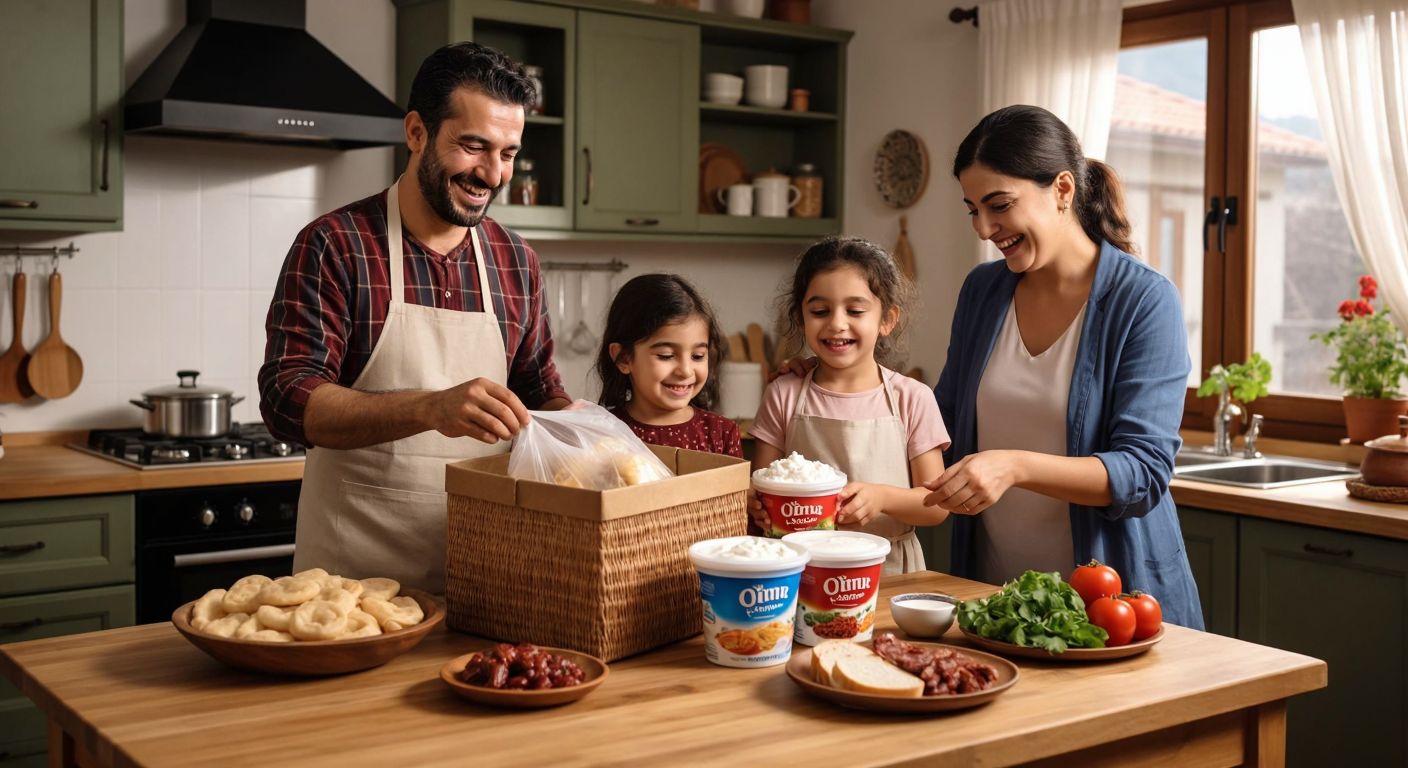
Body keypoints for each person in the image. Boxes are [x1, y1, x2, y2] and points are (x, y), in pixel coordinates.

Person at [258, 42, 570, 593]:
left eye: (508, 153)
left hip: (484, 580)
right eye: (473, 146)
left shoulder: (516, 261)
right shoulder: (336, 245)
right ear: (417, 133)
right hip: (346, 591)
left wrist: (595, 436)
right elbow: (288, 398)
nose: (492, 175)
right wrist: (432, 407)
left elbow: (539, 392)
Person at [925, 104, 1203, 628]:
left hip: (1109, 604)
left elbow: (1143, 472)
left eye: (999, 204)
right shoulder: (983, 291)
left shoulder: (1143, 300)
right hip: (996, 597)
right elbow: (944, 422)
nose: (985, 228)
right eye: (972, 210)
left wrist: (1014, 466)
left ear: (1062, 190)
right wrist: (838, 382)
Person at [749, 237, 950, 574]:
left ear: (887, 319)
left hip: (891, 571)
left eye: (855, 310)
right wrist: (758, 507)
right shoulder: (784, 393)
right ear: (800, 318)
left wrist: (884, 498)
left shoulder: (912, 398)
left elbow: (936, 507)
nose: (837, 323)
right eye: (819, 311)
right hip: (802, 573)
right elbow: (760, 489)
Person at [596, 274, 743, 458]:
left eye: (697, 356)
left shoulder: (722, 434)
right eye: (666, 356)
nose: (685, 371)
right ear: (624, 359)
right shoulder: (601, 433)